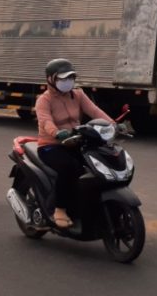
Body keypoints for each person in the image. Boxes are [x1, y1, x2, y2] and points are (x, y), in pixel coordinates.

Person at [34, 58, 114, 228]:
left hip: (76, 141)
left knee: (99, 164)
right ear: (50, 79)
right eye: (63, 78)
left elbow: (94, 111)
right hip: (51, 146)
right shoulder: (44, 100)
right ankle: (60, 209)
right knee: (69, 168)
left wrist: (112, 124)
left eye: (70, 77)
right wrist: (56, 132)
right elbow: (45, 121)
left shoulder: (78, 94)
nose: (67, 82)